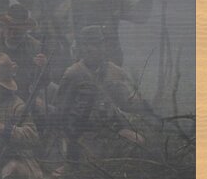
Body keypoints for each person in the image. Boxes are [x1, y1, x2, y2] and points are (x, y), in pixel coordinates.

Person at [56, 26, 146, 163]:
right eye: (87, 45)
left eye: (96, 44)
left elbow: (126, 103)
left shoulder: (114, 71)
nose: (91, 49)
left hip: (112, 131)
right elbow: (62, 112)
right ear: (81, 48)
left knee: (138, 144)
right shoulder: (73, 74)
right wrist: (73, 140)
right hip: (84, 135)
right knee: (94, 166)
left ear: (103, 46)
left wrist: (141, 107)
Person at [12, 0, 73, 80]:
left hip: (57, 53)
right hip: (35, 49)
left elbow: (72, 31)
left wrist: (61, 48)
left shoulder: (70, 2)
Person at [0, 4, 47, 99]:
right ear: (3, 26)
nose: (12, 34)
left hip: (21, 98)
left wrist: (43, 69)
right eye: (9, 29)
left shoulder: (34, 46)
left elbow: (43, 84)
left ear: (26, 30)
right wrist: (0, 72)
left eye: (18, 31)